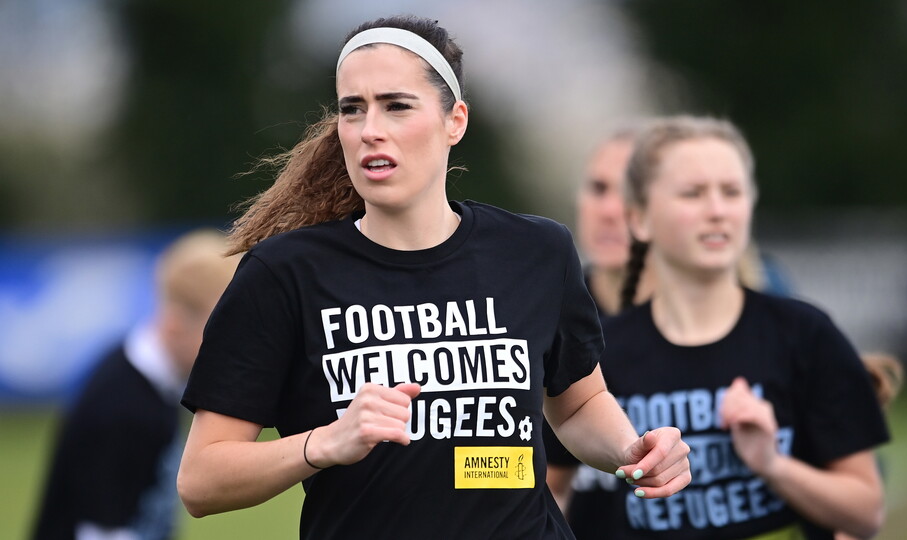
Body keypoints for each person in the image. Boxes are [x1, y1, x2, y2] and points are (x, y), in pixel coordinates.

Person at [175, 15, 691, 540]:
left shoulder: (537, 251)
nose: (370, 129)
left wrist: (633, 450)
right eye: (353, 109)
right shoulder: (283, 273)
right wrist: (324, 443)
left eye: (396, 105)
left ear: (455, 121)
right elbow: (201, 480)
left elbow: (578, 404)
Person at [557, 115, 890, 540]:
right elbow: (547, 497)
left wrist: (771, 464)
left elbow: (865, 515)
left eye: (731, 192)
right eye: (693, 194)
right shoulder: (599, 352)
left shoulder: (804, 333)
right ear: (638, 219)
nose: (716, 210)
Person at [545, 121, 792, 517]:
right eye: (598, 189)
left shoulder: (763, 309)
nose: (611, 211)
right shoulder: (547, 309)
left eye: (626, 192)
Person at [30, 229, 240, 540]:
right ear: (175, 322)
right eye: (222, 328)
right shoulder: (121, 404)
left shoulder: (156, 386)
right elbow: (99, 532)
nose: (235, 345)